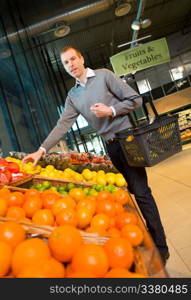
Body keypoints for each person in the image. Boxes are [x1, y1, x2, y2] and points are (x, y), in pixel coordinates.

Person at [23, 46, 169, 264]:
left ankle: (160, 246)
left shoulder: (103, 76)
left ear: (81, 58)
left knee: (141, 192)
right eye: (65, 63)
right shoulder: (73, 96)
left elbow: (135, 99)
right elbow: (62, 125)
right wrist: (41, 150)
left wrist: (111, 111)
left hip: (127, 140)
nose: (71, 64)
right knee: (130, 192)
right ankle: (144, 237)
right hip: (110, 147)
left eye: (73, 59)